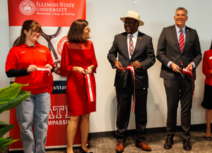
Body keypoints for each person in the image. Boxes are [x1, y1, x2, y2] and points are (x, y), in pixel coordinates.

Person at [107, 11, 155, 153]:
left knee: (141, 111)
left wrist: (142, 64)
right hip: (122, 79)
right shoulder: (118, 37)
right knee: (122, 111)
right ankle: (120, 139)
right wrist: (114, 61)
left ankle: (140, 139)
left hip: (140, 80)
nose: (126, 25)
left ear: (137, 24)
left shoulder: (146, 39)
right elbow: (111, 53)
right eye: (125, 22)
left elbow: (151, 58)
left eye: (129, 22)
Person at [5, 20, 54, 153]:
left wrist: (51, 67)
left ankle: (40, 151)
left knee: (42, 124)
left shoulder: (44, 49)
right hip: (24, 93)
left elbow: (52, 66)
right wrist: (25, 70)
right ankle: (29, 151)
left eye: (39, 31)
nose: (37, 34)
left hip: (43, 92)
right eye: (34, 31)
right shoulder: (15, 50)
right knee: (25, 125)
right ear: (25, 31)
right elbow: (9, 72)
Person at [156, 7, 202, 151]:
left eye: (183, 15)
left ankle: (186, 138)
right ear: (174, 17)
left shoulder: (193, 33)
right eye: (178, 15)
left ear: (186, 18)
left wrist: (193, 64)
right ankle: (169, 137)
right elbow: (160, 53)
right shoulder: (166, 31)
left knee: (186, 109)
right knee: (171, 108)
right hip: (170, 75)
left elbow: (198, 54)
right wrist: (170, 64)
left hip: (187, 75)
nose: (180, 17)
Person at [60, 19, 98, 153]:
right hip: (74, 83)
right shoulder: (67, 45)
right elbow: (64, 66)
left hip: (88, 81)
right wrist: (75, 68)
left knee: (86, 115)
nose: (89, 30)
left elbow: (94, 62)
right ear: (79, 30)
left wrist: (91, 67)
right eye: (87, 28)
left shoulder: (90, 44)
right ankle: (69, 148)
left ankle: (83, 145)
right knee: (75, 116)